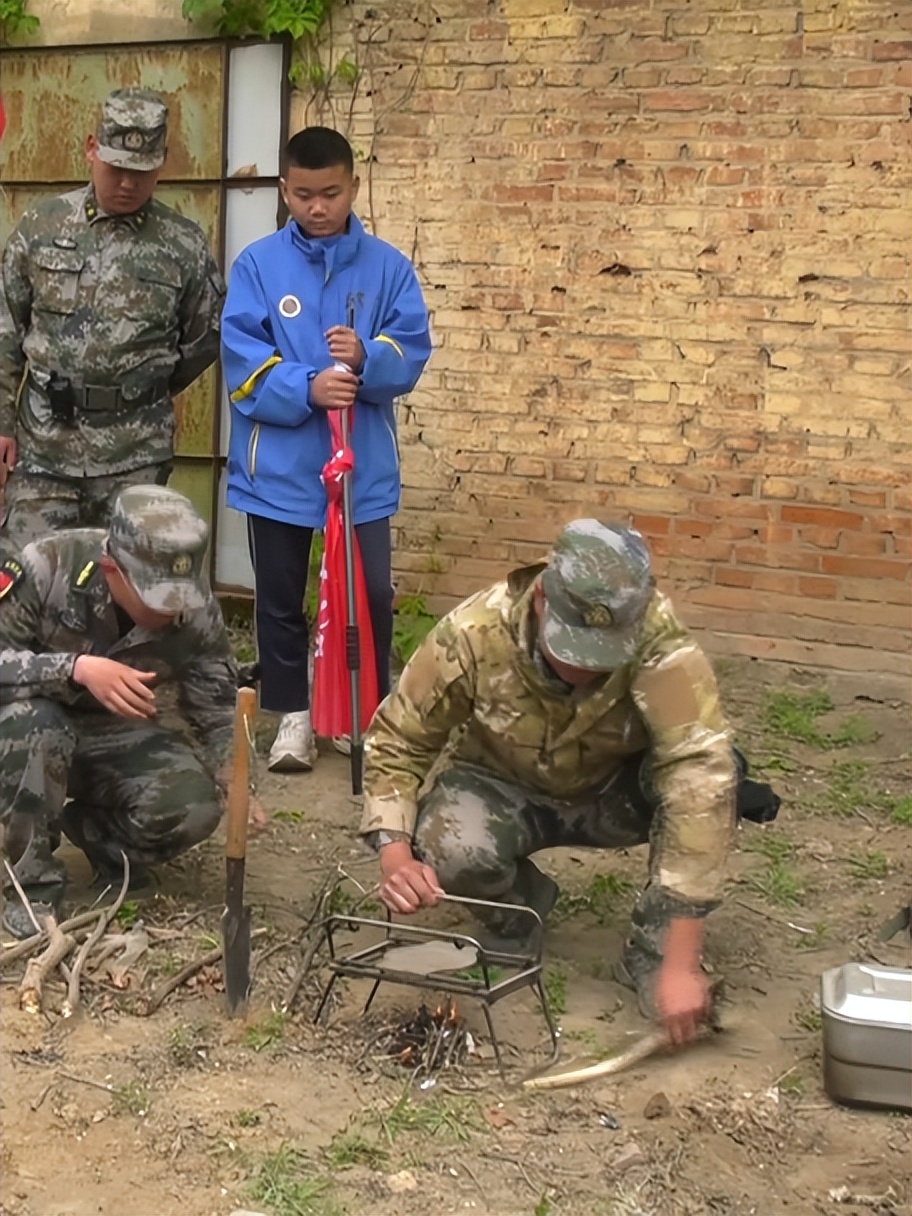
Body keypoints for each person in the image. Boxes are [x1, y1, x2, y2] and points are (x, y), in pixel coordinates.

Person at [360, 520, 780, 1044]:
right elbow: (399, 740)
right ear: (540, 600)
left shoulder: (658, 642)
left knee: (714, 783)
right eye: (575, 647)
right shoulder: (473, 634)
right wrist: (395, 854)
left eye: (605, 653)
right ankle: (519, 913)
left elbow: (700, 774)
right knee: (447, 843)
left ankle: (650, 951)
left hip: (616, 794)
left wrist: (680, 960)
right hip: (502, 788)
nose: (586, 668)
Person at [221, 126, 432, 774]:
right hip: (279, 471)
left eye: (331, 193)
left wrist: (367, 358)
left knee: (368, 592)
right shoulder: (257, 265)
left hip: (359, 471)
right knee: (280, 598)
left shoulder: (389, 268)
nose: (318, 207)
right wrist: (305, 385)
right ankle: (295, 715)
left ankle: (360, 712)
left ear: (354, 188)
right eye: (304, 194)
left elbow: (412, 351)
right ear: (285, 190)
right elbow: (241, 361)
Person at [0, 485, 239, 941]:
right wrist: (75, 669)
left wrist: (233, 771)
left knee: (193, 804)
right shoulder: (45, 566)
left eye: (180, 597)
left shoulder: (194, 602)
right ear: (113, 570)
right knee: (40, 727)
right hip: (22, 729)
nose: (173, 609)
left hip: (110, 734)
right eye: (158, 596)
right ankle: (31, 886)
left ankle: (97, 837)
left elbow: (214, 695)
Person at [0, 88, 225, 551]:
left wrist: (137, 386)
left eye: (141, 172)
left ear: (162, 162)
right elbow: (5, 330)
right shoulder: (41, 227)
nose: (127, 182)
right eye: (116, 166)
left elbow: (204, 339)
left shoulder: (183, 245)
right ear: (90, 149)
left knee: (129, 594)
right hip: (44, 449)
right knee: (26, 583)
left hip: (135, 455)